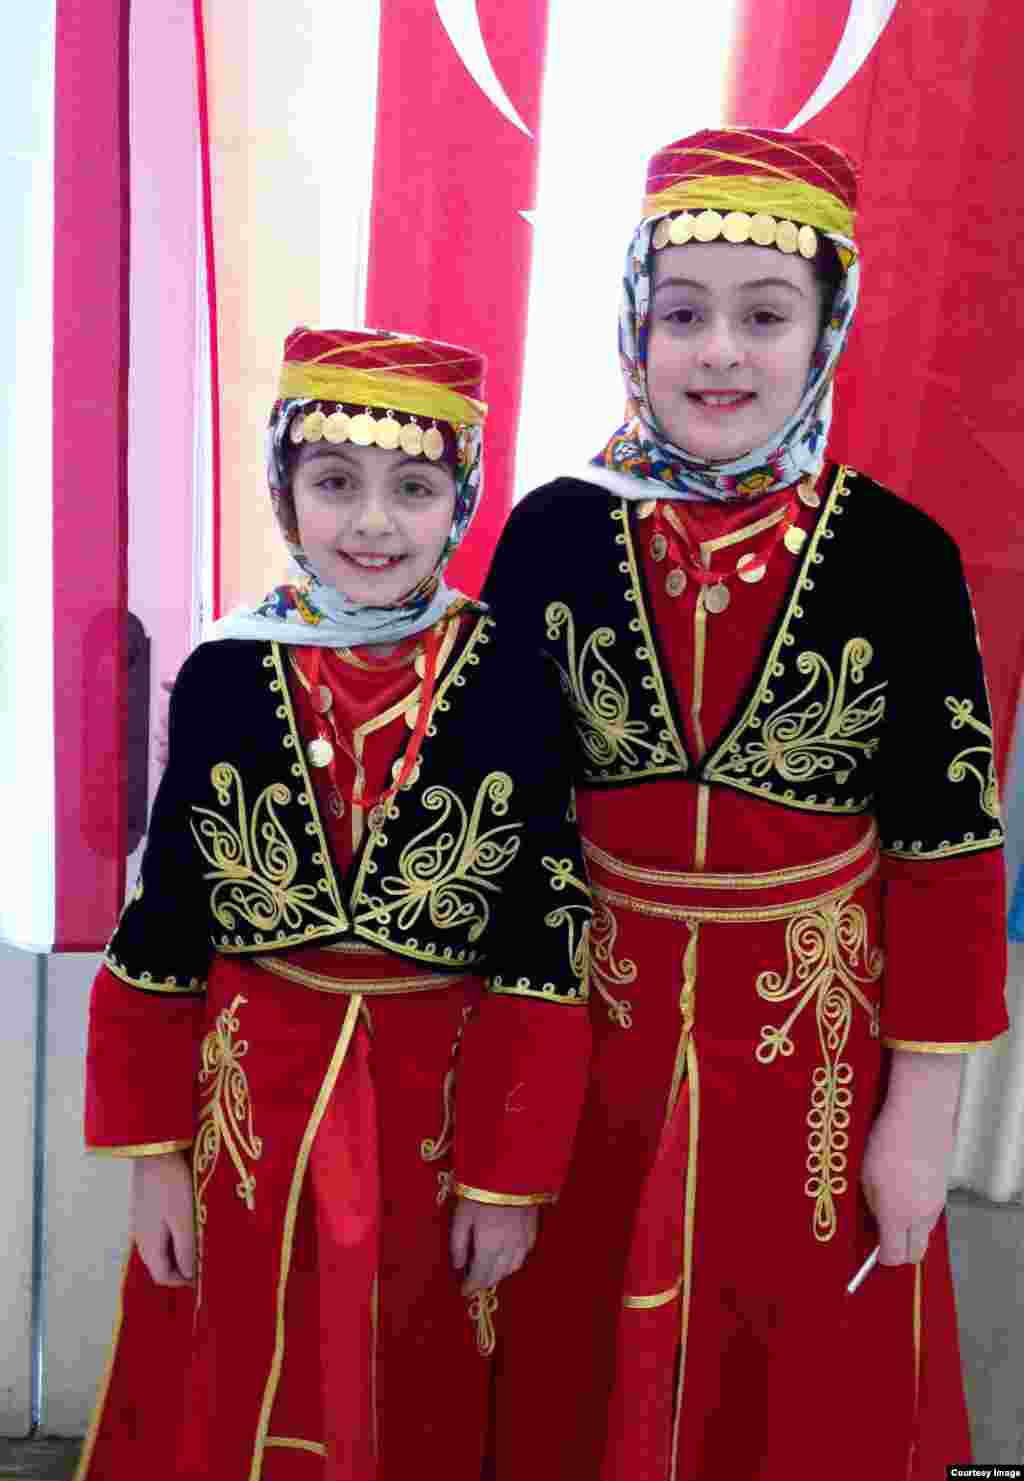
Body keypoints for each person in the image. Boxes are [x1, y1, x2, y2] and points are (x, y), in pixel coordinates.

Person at [481, 128, 1009, 1480]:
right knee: (571, 1364)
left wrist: (920, 1125)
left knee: (794, 1393)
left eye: (765, 316)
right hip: (590, 1052)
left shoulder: (898, 555)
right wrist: (497, 1113)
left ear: (828, 327)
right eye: (683, 313)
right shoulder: (553, 533)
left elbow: (947, 862)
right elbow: (502, 831)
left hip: (813, 1067)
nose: (719, 352)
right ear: (635, 323)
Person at [76, 328, 591, 1481]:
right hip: (248, 1108)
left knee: (408, 1372)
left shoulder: (510, 674)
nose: (372, 522)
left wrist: (507, 1178)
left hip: (431, 1113)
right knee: (236, 1366)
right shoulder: (226, 668)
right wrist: (157, 1157)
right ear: (282, 488)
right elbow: (167, 919)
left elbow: (543, 939)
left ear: (460, 499)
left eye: (413, 488)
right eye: (334, 482)